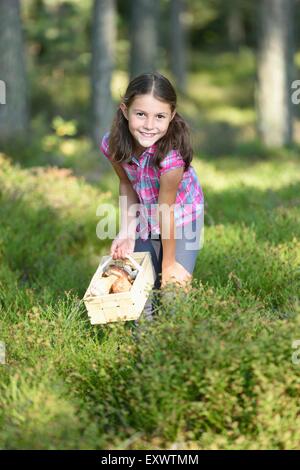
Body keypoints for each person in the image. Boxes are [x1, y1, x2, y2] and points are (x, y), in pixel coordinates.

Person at [99, 72, 204, 321]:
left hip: (180, 218)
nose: (149, 125)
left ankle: (178, 345)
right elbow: (126, 184)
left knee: (172, 291)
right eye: (140, 114)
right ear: (125, 111)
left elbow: (165, 210)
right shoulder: (113, 145)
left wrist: (168, 265)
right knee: (141, 291)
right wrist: (127, 230)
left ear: (172, 115)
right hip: (146, 214)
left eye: (159, 116)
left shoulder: (171, 157)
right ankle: (144, 350)